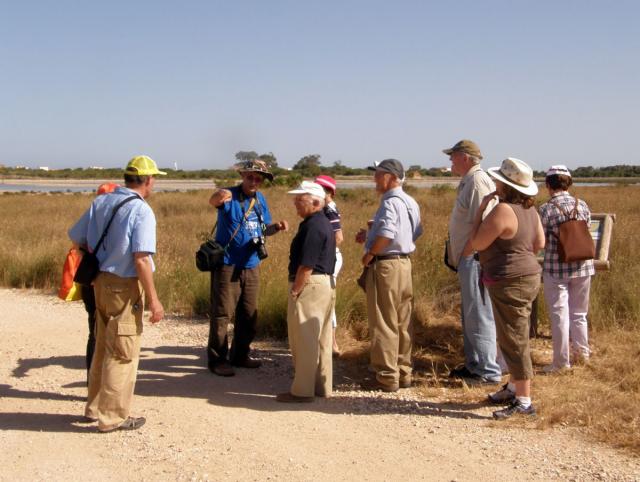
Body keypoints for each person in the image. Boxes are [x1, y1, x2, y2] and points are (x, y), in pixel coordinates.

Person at [68, 155, 165, 432]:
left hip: (99, 282)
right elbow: (141, 259)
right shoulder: (142, 210)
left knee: (102, 345)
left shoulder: (102, 201)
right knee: (123, 351)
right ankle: (112, 418)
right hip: (124, 285)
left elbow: (76, 237)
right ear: (147, 180)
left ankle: (94, 408)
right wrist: (154, 301)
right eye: (154, 178)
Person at [470, 157, 545, 419]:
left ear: (504, 184)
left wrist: (480, 211)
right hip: (527, 274)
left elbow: (478, 242)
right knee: (512, 333)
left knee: (514, 338)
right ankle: (514, 387)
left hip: (509, 279)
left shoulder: (502, 211)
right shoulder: (530, 210)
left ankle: (524, 400)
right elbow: (539, 243)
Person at [207, 159, 288, 377]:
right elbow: (213, 201)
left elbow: (263, 228)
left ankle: (240, 355)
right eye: (250, 177)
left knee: (249, 313)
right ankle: (217, 360)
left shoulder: (260, 199)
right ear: (243, 175)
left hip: (252, 264)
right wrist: (218, 195)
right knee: (222, 314)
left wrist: (276, 227)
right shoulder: (230, 195)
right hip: (228, 264)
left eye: (258, 178)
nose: (254, 181)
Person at [356, 159, 423, 392]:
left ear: (392, 177)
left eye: (379, 174)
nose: (375, 179)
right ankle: (404, 372)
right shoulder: (410, 202)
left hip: (386, 265)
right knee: (403, 321)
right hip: (404, 264)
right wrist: (372, 234)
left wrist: (370, 254)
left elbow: (386, 234)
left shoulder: (389, 203)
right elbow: (416, 232)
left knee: (384, 321)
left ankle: (385, 376)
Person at [443, 139, 502, 385]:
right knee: (471, 313)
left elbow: (486, 222)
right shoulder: (469, 180)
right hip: (469, 258)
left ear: (465, 157)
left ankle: (488, 371)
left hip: (475, 258)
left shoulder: (477, 181)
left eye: (453, 156)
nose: (450, 160)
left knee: (479, 313)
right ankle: (474, 364)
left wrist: (469, 251)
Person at [277, 181, 336, 403]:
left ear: (315, 201)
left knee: (305, 339)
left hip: (310, 285)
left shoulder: (312, 226)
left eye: (299, 199)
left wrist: (295, 290)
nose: (295, 203)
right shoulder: (323, 222)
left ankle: (302, 391)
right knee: (322, 338)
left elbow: (306, 265)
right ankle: (322, 387)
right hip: (324, 285)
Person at [539, 165, 595, 372]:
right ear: (569, 183)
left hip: (556, 268)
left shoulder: (545, 209)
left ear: (548, 185)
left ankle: (561, 362)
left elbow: (541, 240)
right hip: (583, 266)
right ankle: (582, 354)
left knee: (559, 315)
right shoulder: (583, 205)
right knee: (579, 314)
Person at [81, 182, 120, 382]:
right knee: (112, 334)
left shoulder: (93, 211)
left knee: (94, 330)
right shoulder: (122, 213)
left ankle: (93, 383)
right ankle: (105, 385)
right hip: (111, 281)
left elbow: (75, 238)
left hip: (90, 279)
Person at [314, 174, 343, 355]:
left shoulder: (329, 209)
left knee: (326, 301)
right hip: (328, 258)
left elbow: (338, 237)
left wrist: (319, 252)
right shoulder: (324, 208)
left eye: (320, 189)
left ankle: (332, 344)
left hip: (329, 259)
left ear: (329, 192)